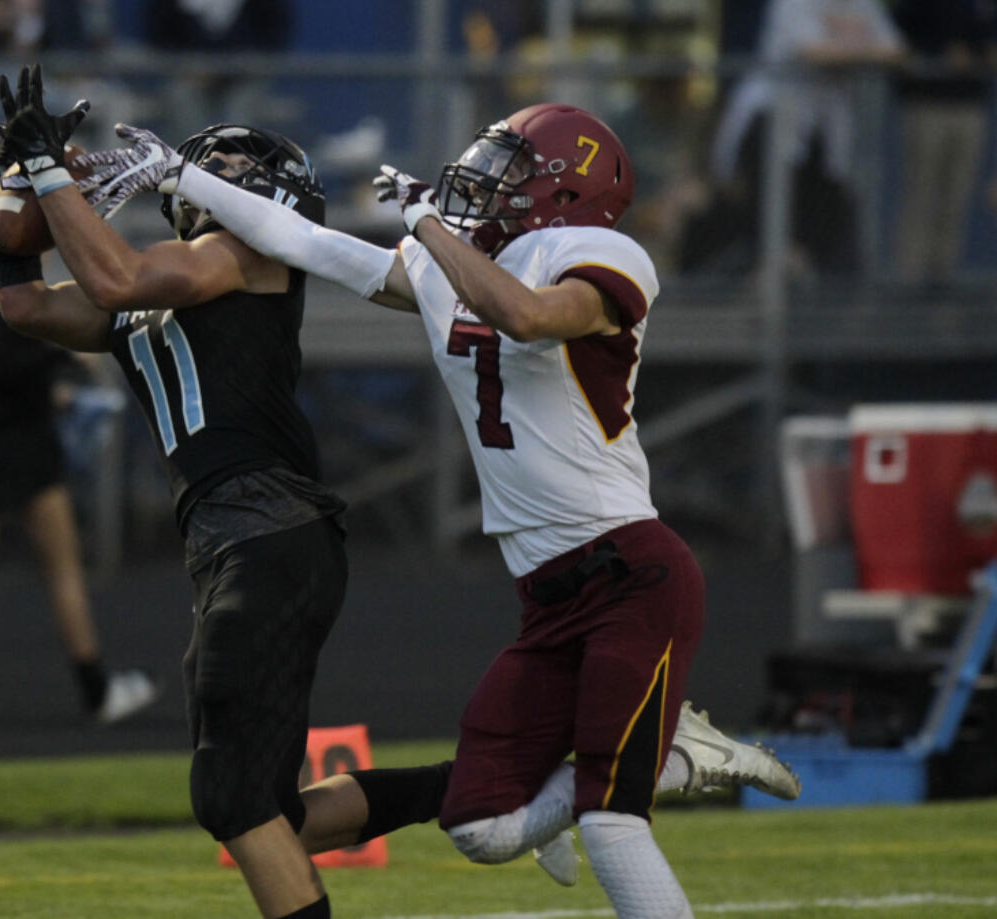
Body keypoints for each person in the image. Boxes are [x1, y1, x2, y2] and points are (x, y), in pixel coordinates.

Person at [79, 99, 802, 916]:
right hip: (546, 593)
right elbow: (307, 243)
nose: (487, 186)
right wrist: (183, 173)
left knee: (611, 823)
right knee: (482, 826)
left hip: (631, 569)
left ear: (567, 190)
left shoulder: (601, 253)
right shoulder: (443, 264)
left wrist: (428, 228)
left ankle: (643, 768)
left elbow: (526, 316)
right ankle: (666, 754)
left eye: (512, 174)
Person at [0, 65, 351, 919]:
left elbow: (115, 281)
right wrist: (15, 181)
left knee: (232, 795)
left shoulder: (247, 253)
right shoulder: (160, 276)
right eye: (210, 156)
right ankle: (481, 788)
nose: (217, 166)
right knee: (265, 802)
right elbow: (26, 301)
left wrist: (47, 177)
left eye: (234, 162)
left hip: (272, 532)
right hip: (234, 546)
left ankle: (495, 786)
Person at [0, 193, 159, 732]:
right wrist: (57, 369)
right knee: (62, 568)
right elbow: (8, 360)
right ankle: (97, 690)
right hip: (18, 441)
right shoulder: (12, 295)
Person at [704, 0, 904, 277]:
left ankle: (800, 289)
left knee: (825, 228)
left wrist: (847, 52)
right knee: (765, 224)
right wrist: (864, 52)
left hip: (823, 128)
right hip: (769, 118)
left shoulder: (861, 4)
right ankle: (759, 295)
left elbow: (895, 50)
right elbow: (814, 53)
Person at [892, 0, 997, 285]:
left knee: (956, 198)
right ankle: (909, 279)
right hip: (928, 102)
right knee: (922, 193)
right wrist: (937, 52)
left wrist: (980, 53)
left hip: (970, 103)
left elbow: (985, 39)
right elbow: (898, 39)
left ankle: (943, 278)